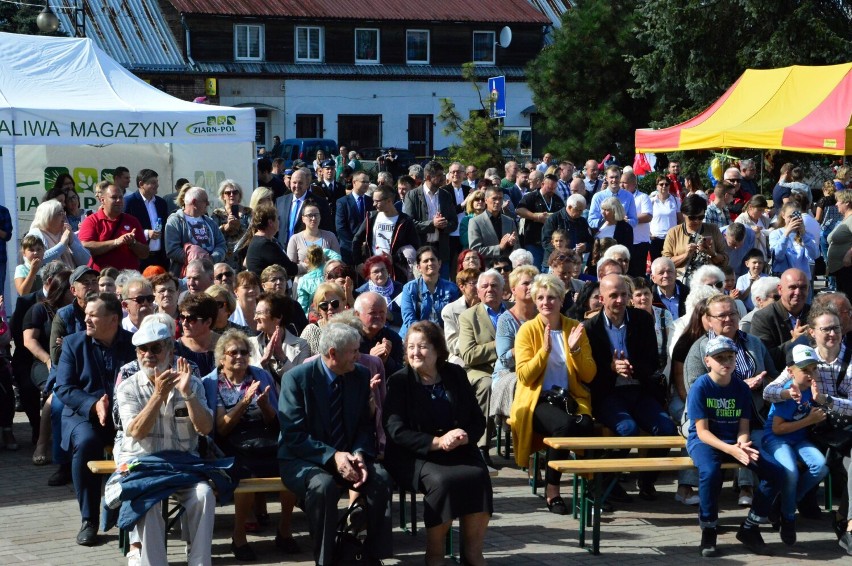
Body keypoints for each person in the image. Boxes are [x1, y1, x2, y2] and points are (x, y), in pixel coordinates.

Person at [278, 321, 392, 566]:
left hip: (348, 454)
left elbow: (364, 424)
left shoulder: (359, 374)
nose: (358, 356)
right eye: (353, 351)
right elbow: (293, 435)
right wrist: (333, 456)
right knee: (324, 486)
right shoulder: (296, 379)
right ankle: (325, 559)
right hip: (304, 458)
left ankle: (371, 556)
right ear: (333, 354)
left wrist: (360, 453)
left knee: (380, 478)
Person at [383, 321, 492, 566]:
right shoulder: (399, 381)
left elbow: (477, 419)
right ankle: (434, 555)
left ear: (437, 350)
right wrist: (436, 442)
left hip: (459, 450)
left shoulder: (455, 374)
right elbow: (395, 430)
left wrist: (464, 434)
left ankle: (473, 554)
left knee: (479, 476)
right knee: (443, 482)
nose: (415, 352)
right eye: (410, 347)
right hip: (416, 454)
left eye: (422, 347)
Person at [114, 317, 215, 565]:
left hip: (182, 464)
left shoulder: (192, 383)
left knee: (204, 495)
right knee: (147, 504)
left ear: (170, 349)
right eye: (143, 349)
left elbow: (205, 428)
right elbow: (135, 432)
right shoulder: (128, 388)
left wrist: (188, 395)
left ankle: (200, 562)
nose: (149, 354)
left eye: (156, 348)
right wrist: (158, 396)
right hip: (144, 463)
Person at [762, 305, 852, 552]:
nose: (832, 334)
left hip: (838, 428)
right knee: (796, 469)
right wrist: (786, 392)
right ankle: (789, 512)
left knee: (827, 467)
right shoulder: (803, 362)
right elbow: (769, 392)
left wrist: (826, 401)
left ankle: (794, 505)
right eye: (826, 329)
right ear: (812, 332)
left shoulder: (849, 361)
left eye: (836, 328)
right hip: (808, 431)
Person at [205, 329, 300, 560]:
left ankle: (285, 530)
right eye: (233, 352)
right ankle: (239, 537)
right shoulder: (212, 383)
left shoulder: (259, 375)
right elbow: (220, 429)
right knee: (244, 474)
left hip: (263, 438)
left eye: (244, 352)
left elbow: (275, 421)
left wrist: (266, 406)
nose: (239, 356)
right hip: (230, 442)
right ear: (221, 357)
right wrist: (244, 402)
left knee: (291, 467)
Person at [686, 336, 783, 557]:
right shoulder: (701, 386)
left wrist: (741, 443)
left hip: (734, 442)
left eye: (730, 357)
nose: (726, 362)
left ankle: (750, 527)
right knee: (710, 473)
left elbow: (744, 426)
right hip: (706, 441)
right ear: (707, 360)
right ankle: (708, 528)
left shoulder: (740, 387)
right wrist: (731, 450)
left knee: (776, 473)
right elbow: (702, 432)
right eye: (719, 358)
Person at [584, 274, 677, 501]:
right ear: (602, 298)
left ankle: (646, 479)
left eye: (623, 295)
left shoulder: (642, 320)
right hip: (609, 393)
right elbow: (588, 372)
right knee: (627, 429)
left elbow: (653, 361)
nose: (619, 300)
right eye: (613, 295)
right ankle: (602, 481)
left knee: (666, 430)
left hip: (639, 388)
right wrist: (612, 368)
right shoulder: (591, 327)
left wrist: (631, 367)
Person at [54, 292, 135, 546]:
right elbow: (64, 388)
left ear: (113, 319)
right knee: (88, 443)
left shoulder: (134, 344)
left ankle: (129, 509)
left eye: (93, 315)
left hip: (125, 416)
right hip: (84, 416)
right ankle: (88, 519)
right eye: (85, 314)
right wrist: (93, 404)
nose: (86, 319)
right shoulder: (73, 343)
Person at [511, 273, 596, 513]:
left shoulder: (574, 329)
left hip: (570, 399)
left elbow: (589, 375)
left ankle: (590, 488)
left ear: (561, 300)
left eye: (551, 297)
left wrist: (576, 349)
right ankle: (553, 490)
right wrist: (544, 351)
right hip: (536, 399)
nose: (546, 302)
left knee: (587, 425)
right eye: (540, 298)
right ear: (535, 302)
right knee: (565, 427)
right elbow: (525, 376)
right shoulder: (527, 330)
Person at [684, 294, 778, 507]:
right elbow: (694, 388)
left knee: (760, 448)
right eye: (721, 315)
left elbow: (773, 377)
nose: (728, 319)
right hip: (710, 419)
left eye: (732, 313)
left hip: (753, 415)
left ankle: (755, 497)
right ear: (709, 319)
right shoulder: (700, 348)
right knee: (715, 460)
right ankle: (709, 512)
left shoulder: (754, 343)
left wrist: (761, 384)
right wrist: (739, 387)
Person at [761, 344, 828, 545]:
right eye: (805, 370)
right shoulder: (788, 391)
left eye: (813, 369)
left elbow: (816, 414)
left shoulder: (812, 389)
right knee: (790, 471)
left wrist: (819, 402)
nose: (811, 374)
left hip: (798, 438)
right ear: (790, 371)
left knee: (821, 466)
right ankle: (788, 518)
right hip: (776, 439)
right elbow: (777, 429)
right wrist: (809, 420)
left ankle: (784, 503)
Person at [458, 269, 508, 466]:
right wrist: (500, 345)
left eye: (495, 285)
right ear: (477, 292)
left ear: (504, 290)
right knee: (487, 386)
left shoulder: (513, 311)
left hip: (511, 368)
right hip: (481, 370)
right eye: (485, 286)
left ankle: (529, 453)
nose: (490, 289)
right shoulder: (468, 317)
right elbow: (468, 355)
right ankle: (482, 447)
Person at [491, 265, 538, 421]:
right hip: (509, 372)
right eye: (525, 283)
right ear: (513, 289)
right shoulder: (506, 319)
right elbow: (504, 358)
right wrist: (527, 347)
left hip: (539, 369)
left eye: (534, 283)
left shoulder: (543, 315)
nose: (531, 287)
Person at [404, 162, 458, 277]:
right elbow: (408, 224)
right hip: (421, 249)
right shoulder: (412, 195)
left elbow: (454, 222)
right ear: (428, 177)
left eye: (443, 174)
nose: (443, 178)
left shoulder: (446, 195)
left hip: (441, 251)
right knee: (422, 288)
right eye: (439, 175)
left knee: (442, 287)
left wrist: (444, 225)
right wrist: (432, 224)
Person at [751, 268, 812, 370]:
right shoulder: (763, 317)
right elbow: (764, 357)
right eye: (792, 287)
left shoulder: (816, 314)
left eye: (803, 287)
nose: (798, 292)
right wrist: (794, 342)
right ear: (780, 289)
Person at [662, 194, 727, 284]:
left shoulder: (713, 229)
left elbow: (725, 260)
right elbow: (666, 263)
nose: (697, 221)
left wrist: (712, 253)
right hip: (682, 281)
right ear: (684, 214)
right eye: (692, 218)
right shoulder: (673, 233)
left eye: (701, 217)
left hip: (709, 280)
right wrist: (685, 255)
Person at [248, 291, 310, 384]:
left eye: (259, 313)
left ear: (278, 317)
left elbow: (302, 381)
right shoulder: (249, 344)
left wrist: (281, 356)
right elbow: (245, 380)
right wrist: (264, 360)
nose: (255, 318)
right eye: (255, 313)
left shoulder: (302, 345)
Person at [399, 246, 460, 338]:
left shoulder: (452, 288)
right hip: (414, 337)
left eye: (433, 259)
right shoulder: (409, 288)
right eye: (425, 261)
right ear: (419, 267)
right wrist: (426, 337)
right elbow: (409, 320)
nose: (430, 263)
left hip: (442, 338)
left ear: (439, 263)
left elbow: (455, 318)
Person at [164, 187, 226, 277]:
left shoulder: (210, 222)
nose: (208, 204)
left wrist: (211, 259)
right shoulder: (175, 221)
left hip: (210, 274)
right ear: (194, 202)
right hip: (186, 276)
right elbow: (172, 249)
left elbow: (221, 244)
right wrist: (196, 260)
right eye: (205, 201)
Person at [516, 173, 564, 270]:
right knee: (535, 269)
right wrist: (535, 217)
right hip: (534, 241)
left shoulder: (557, 199)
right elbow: (519, 210)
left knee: (549, 270)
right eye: (549, 188)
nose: (552, 191)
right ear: (542, 184)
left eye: (554, 188)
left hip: (551, 244)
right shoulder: (532, 196)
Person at [354, 291, 404, 376]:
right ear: (357, 314)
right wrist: (369, 360)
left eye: (382, 312)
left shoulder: (393, 338)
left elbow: (401, 373)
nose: (378, 316)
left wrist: (386, 361)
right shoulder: (348, 338)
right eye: (372, 313)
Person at [29, 199, 91, 268]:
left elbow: (87, 261)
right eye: (59, 214)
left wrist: (72, 243)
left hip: (71, 277)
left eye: (63, 213)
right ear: (48, 216)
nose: (64, 216)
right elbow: (38, 260)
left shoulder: (66, 231)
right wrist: (62, 244)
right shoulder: (35, 234)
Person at [245, 202, 299, 279]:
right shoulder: (265, 245)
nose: (279, 222)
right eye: (277, 219)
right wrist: (305, 266)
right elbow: (290, 269)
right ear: (270, 222)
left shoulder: (259, 240)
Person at [286, 202, 341, 276]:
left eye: (316, 215)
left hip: (326, 283)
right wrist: (310, 264)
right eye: (310, 215)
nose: (313, 218)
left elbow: (338, 262)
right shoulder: (295, 239)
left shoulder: (330, 236)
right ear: (303, 218)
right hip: (302, 282)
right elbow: (290, 268)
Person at [441, 268, 481, 368]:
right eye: (474, 283)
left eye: (480, 283)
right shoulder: (450, 310)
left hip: (484, 352)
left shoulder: (488, 306)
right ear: (462, 287)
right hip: (459, 355)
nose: (478, 287)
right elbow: (452, 345)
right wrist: (479, 342)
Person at [210, 179, 252, 271]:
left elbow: (253, 232)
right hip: (225, 257)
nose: (232, 195)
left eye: (235, 192)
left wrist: (240, 227)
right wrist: (226, 227)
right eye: (228, 193)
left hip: (244, 255)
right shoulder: (217, 213)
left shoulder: (248, 212)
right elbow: (212, 234)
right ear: (223, 196)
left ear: (239, 195)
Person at [541, 193, 594, 265]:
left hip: (575, 263)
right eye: (578, 210)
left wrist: (585, 247)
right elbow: (546, 242)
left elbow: (590, 241)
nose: (581, 213)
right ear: (569, 207)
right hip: (555, 263)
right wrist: (562, 253)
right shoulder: (553, 219)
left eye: (582, 210)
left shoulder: (582, 221)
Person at [769, 202, 819, 279]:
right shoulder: (776, 234)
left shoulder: (807, 235)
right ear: (783, 215)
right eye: (790, 216)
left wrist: (804, 235)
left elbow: (814, 255)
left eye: (796, 216)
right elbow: (778, 256)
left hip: (802, 278)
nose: (793, 219)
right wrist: (786, 234)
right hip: (784, 277)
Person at [469, 186, 519, 261]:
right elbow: (475, 250)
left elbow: (517, 247)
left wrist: (511, 244)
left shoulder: (510, 221)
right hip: (487, 268)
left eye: (500, 198)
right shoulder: (475, 222)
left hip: (507, 268)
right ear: (486, 200)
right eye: (494, 198)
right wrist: (499, 247)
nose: (498, 202)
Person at [175, 294, 220, 376]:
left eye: (191, 319)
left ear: (208, 322)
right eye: (182, 317)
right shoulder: (176, 349)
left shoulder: (226, 346)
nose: (184, 323)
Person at [355, 255, 404, 330]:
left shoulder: (400, 288)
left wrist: (391, 316)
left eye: (383, 270)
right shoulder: (361, 293)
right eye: (376, 272)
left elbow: (407, 317)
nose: (380, 274)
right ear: (369, 275)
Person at [337, 171, 375, 265]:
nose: (366, 184)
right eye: (363, 182)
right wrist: (356, 245)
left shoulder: (371, 202)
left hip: (367, 250)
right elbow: (340, 228)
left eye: (367, 182)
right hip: (349, 250)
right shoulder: (343, 202)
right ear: (354, 182)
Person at [301, 282, 346, 355]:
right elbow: (301, 362)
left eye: (334, 303)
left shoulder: (352, 327)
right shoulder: (311, 331)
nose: (330, 308)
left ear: (344, 302)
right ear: (318, 309)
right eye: (324, 305)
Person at [827, 189, 852, 298]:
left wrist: (849, 254)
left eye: (839, 201)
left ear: (847, 202)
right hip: (840, 269)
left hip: (847, 269)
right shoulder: (844, 219)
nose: (836, 204)